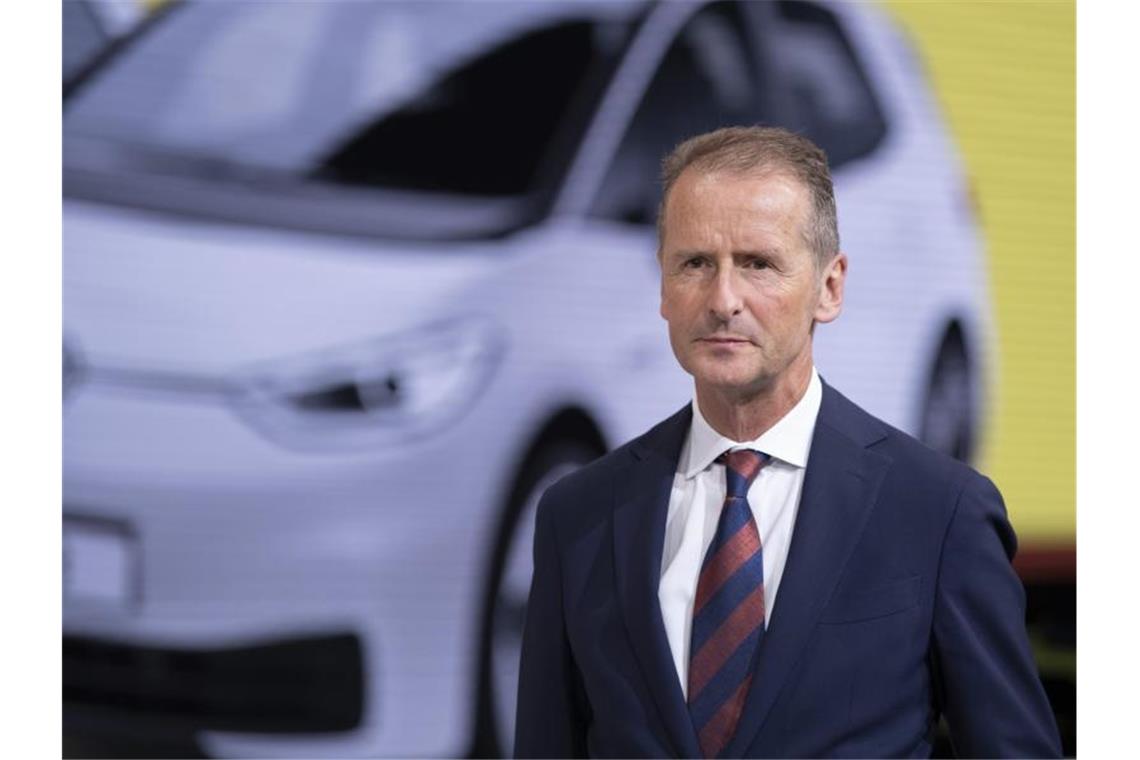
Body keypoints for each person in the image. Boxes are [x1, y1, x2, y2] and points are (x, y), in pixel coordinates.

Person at [513, 126, 1061, 758]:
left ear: (829, 288)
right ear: (663, 287)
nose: (723, 300)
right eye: (694, 263)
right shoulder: (580, 515)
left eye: (758, 264)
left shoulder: (939, 512)